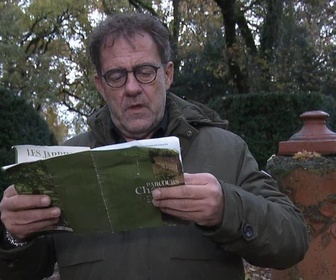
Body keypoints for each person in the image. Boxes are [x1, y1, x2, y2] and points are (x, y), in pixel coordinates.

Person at [0, 13, 308, 280]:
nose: (132, 88)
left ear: (168, 74)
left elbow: (293, 240)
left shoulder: (226, 149)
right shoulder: (65, 164)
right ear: (100, 85)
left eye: (145, 72)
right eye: (117, 76)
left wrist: (226, 208)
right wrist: (15, 237)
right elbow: (24, 271)